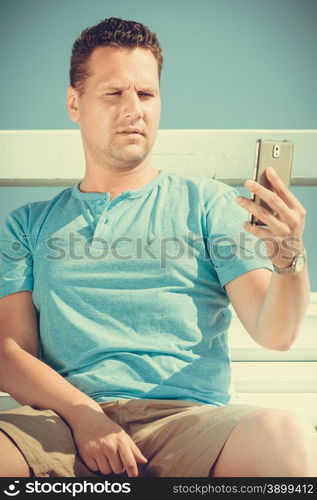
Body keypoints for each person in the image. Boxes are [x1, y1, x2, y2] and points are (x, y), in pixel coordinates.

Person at [0, 17, 316, 479]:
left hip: (190, 422)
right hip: (64, 424)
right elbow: (10, 352)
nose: (134, 109)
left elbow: (276, 333)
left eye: (146, 94)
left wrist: (289, 255)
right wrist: (84, 415)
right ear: (75, 103)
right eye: (114, 93)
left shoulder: (209, 204)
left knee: (285, 439)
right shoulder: (27, 224)